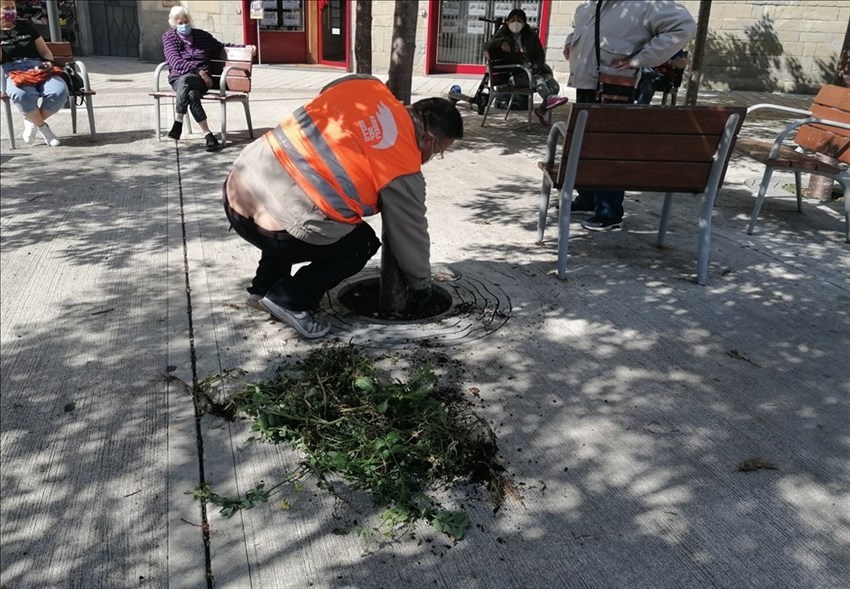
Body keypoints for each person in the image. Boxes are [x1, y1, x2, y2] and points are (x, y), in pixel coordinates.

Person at [222, 75, 464, 339]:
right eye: (439, 152)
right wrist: (421, 285)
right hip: (278, 233)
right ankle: (290, 299)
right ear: (428, 140)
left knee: (296, 197)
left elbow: (328, 88)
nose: (431, 158)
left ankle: (263, 287)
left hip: (237, 190)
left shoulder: (366, 86)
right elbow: (410, 231)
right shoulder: (403, 165)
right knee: (360, 244)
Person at [563, 0, 696, 231]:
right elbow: (579, 29)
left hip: (614, 84)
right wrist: (570, 43)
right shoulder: (589, 5)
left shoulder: (645, 4)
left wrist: (641, 59)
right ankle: (587, 198)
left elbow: (683, 26)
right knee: (586, 145)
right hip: (586, 82)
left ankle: (609, 211)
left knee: (610, 148)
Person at [162, 6, 255, 152]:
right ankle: (208, 135)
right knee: (191, 93)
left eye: (186, 21)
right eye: (180, 23)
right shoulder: (169, 38)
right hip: (178, 79)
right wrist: (199, 71)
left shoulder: (202, 36)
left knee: (188, 82)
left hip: (202, 82)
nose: (184, 25)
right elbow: (175, 61)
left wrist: (245, 47)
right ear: (174, 24)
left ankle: (178, 121)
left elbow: (222, 46)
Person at [0, 0, 69, 147]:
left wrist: (48, 63)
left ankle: (30, 119)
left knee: (59, 92)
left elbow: (45, 52)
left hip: (37, 66)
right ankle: (45, 130)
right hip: (12, 70)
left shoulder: (26, 25)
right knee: (22, 95)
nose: (11, 11)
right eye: (6, 9)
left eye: (13, 8)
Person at [485, 8, 568, 126]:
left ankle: (541, 110)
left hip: (531, 71)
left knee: (553, 85)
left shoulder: (530, 35)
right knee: (538, 80)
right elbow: (487, 45)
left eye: (519, 21)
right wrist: (500, 42)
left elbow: (540, 55)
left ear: (524, 23)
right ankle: (549, 98)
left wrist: (534, 68)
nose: (515, 23)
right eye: (512, 20)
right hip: (513, 75)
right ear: (507, 22)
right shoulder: (503, 33)